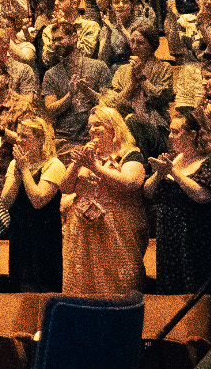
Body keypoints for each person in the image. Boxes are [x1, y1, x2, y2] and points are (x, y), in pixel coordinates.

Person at [50, 106, 148, 297]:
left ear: (113, 127)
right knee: (81, 284)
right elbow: (65, 188)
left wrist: (94, 167)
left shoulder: (130, 154)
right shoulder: (87, 156)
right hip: (82, 231)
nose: (92, 130)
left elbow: (130, 182)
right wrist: (78, 163)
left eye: (98, 125)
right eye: (90, 126)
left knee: (116, 284)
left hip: (116, 230)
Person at [143, 111, 211, 296]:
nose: (170, 136)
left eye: (176, 132)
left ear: (193, 135)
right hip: (170, 241)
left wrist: (173, 172)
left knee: (200, 291)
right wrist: (159, 173)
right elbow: (148, 193)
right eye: (170, 131)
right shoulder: (173, 159)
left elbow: (203, 195)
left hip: (199, 241)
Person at [1, 114, 64, 291]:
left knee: (44, 289)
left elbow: (38, 200)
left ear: (40, 140)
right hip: (20, 236)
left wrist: (26, 171)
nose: (18, 141)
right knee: (20, 288)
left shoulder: (54, 165)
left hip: (44, 238)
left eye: (25, 136)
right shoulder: (15, 164)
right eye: (18, 135)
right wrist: (18, 175)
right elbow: (5, 202)